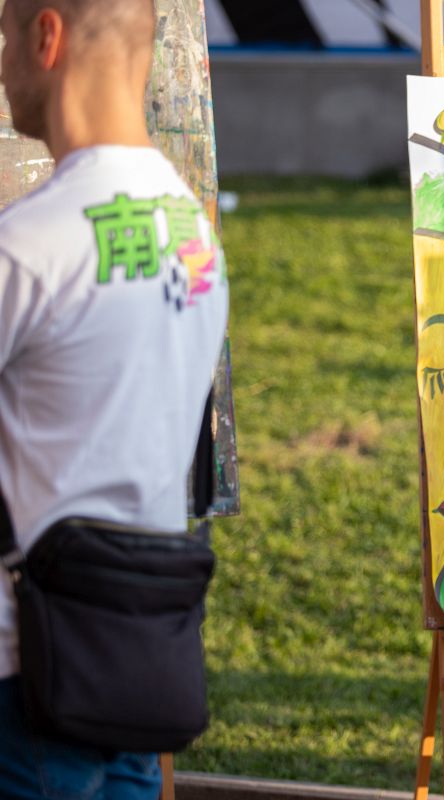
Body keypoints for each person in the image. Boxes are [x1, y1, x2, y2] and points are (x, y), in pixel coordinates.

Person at [0, 0, 228, 797]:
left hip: (25, 676)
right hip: (135, 659)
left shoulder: (28, 245)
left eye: (4, 38)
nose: (3, 65)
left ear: (46, 36)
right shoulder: (193, 236)